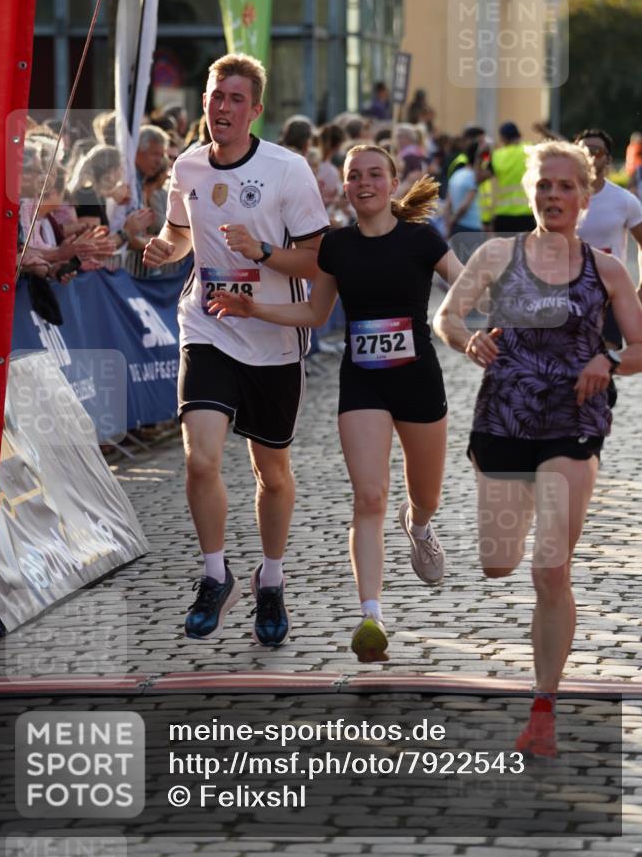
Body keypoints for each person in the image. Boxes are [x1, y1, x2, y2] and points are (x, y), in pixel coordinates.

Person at [209, 145, 461, 664]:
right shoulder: (338, 247)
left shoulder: (420, 239)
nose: (363, 183)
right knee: (368, 497)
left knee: (426, 493)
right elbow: (315, 311)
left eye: (374, 174)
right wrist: (254, 307)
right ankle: (372, 616)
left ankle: (418, 526)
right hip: (363, 382)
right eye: (353, 176)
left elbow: (465, 283)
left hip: (419, 382)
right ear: (344, 187)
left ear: (392, 183)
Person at [434, 140, 642, 757]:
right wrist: (468, 341)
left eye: (565, 186)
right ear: (531, 193)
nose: (553, 196)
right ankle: (468, 518)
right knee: (499, 563)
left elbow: (640, 347)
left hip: (572, 426)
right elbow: (447, 316)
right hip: (504, 422)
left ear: (585, 195)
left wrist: (607, 359)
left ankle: (543, 707)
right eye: (544, 186)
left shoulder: (608, 270)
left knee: (550, 568)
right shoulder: (498, 254)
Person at [142, 53, 330, 648]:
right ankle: (214, 573)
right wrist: (160, 249)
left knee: (271, 471)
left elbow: (317, 260)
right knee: (201, 458)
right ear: (204, 100)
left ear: (255, 110)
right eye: (215, 96)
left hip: (273, 335)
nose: (222, 108)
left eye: (235, 99)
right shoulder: (188, 166)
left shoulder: (287, 170)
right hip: (209, 326)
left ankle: (270, 581)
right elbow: (179, 237)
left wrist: (262, 252)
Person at [574, 128, 642, 351]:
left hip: (609, 295)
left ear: (608, 159)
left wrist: (640, 287)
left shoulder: (624, 201)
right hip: (567, 295)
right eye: (583, 151)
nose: (590, 156)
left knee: (605, 361)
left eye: (597, 151)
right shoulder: (562, 199)